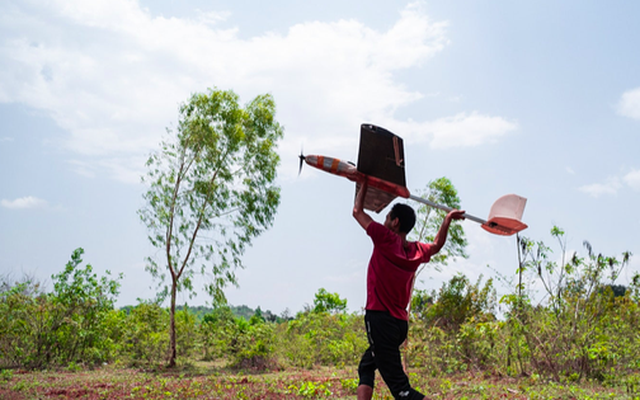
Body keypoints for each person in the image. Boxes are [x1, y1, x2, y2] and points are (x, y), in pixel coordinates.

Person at [352, 179, 465, 400]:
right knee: (366, 366)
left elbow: (357, 211)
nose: (383, 221)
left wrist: (363, 182)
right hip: (399, 325)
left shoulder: (384, 239)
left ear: (395, 222)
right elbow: (437, 245)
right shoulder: (415, 251)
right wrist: (447, 219)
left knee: (402, 391)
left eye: (386, 217)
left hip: (381, 321)